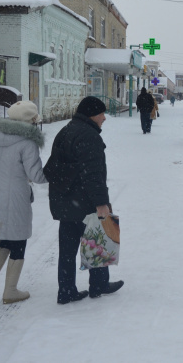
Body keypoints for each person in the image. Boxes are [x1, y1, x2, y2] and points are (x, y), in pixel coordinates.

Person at [44, 96, 124, 305]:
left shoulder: (66, 130)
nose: (105, 118)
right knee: (98, 240)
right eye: (102, 113)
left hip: (66, 202)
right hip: (85, 202)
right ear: (92, 114)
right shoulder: (89, 136)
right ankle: (99, 285)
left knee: (67, 251)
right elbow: (93, 174)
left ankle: (66, 290)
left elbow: (52, 169)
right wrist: (101, 204)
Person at [0, 100, 48, 304]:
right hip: (16, 196)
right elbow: (36, 175)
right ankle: (11, 291)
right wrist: (53, 173)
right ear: (30, 120)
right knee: (19, 240)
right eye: (35, 118)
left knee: (7, 237)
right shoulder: (27, 142)